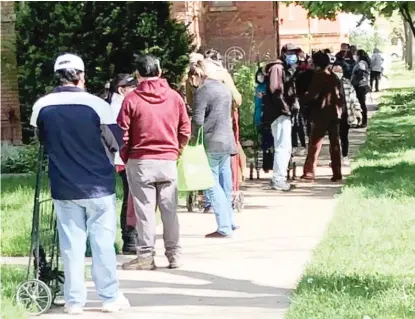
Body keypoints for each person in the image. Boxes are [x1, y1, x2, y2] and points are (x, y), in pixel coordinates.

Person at [30, 53, 129, 314]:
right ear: (81, 76)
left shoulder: (42, 105)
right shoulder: (97, 105)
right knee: (102, 243)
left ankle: (74, 301)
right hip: (99, 185)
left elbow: (41, 138)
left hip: (64, 185)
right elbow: (116, 142)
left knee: (71, 245)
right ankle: (109, 297)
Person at [118, 55, 191, 270]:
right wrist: (176, 150)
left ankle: (146, 257)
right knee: (170, 211)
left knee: (145, 211)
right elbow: (185, 130)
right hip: (168, 160)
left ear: (138, 75)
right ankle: (174, 255)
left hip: (140, 161)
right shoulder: (174, 97)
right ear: (160, 72)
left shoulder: (131, 99)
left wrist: (126, 156)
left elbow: (122, 134)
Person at [189, 62, 238, 238]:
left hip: (211, 141)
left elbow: (198, 120)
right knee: (225, 183)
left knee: (211, 184)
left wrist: (192, 140)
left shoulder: (202, 91)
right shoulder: (224, 88)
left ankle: (223, 226)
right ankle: (230, 220)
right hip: (227, 140)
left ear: (195, 75)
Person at [106, 74, 138, 255]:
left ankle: (131, 237)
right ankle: (130, 238)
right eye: (132, 86)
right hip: (124, 159)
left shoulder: (116, 105)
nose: (136, 89)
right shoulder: (118, 107)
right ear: (121, 89)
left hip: (123, 158)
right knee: (130, 198)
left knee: (131, 197)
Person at [300, 51, 343, 182]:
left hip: (321, 113)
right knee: (335, 143)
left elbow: (313, 95)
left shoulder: (319, 76)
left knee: (315, 144)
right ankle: (337, 172)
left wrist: (302, 100)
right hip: (335, 113)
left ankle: (309, 172)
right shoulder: (333, 76)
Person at [263, 43, 300, 191]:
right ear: (284, 53)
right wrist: (286, 108)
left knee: (285, 147)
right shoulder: (277, 68)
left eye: (295, 52)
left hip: (282, 113)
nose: (294, 56)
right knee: (282, 147)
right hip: (278, 114)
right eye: (291, 52)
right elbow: (276, 90)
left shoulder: (283, 68)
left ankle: (279, 178)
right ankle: (278, 179)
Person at [332, 64, 362, 165]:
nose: (337, 73)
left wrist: (357, 111)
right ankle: (335, 159)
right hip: (333, 116)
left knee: (344, 137)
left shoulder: (347, 83)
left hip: (345, 114)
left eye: (339, 71)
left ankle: (345, 156)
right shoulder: (329, 83)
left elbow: (354, 98)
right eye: (335, 71)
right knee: (334, 138)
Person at [351, 49, 371, 128]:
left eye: (356, 55)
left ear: (359, 55)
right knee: (360, 104)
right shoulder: (362, 63)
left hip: (360, 86)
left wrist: (355, 79)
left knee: (361, 104)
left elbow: (361, 72)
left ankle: (364, 121)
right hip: (361, 85)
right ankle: (361, 121)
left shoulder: (361, 63)